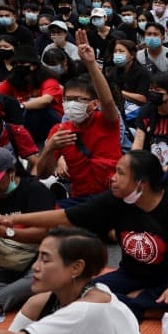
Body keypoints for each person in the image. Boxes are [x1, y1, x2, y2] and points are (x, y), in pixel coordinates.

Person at [0, 151, 168, 322]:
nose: (113, 178)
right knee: (80, 291)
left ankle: (128, 302)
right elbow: (66, 216)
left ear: (141, 184)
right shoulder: (116, 199)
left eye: (120, 173)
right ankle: (143, 306)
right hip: (133, 273)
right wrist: (12, 221)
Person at [0, 228, 144, 334]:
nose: (35, 267)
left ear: (76, 268)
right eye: (37, 258)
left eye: (45, 260)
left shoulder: (88, 309)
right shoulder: (42, 302)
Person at [35, 31, 122, 208]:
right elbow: (42, 174)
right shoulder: (59, 131)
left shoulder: (106, 120)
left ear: (93, 104)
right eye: (68, 99)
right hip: (81, 200)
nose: (71, 104)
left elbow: (108, 100)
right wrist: (50, 147)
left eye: (79, 100)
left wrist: (90, 63)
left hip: (113, 195)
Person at [0, 147, 54, 316]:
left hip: (39, 258)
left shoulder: (35, 190)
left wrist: (4, 231)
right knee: (29, 285)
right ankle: (18, 295)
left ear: (12, 172)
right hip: (5, 260)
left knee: (38, 278)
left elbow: (43, 233)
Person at [0, 45, 63, 142]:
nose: (19, 66)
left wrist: (20, 106)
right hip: (27, 122)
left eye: (23, 63)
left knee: (36, 111)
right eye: (16, 64)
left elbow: (46, 100)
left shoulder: (48, 80)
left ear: (34, 65)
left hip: (52, 122)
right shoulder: (13, 81)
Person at [131, 72, 168, 168]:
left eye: (157, 90)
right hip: (150, 165)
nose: (153, 92)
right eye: (151, 89)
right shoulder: (145, 111)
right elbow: (137, 143)